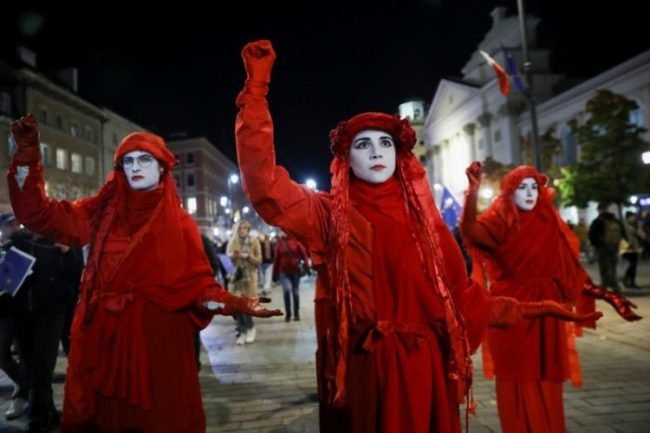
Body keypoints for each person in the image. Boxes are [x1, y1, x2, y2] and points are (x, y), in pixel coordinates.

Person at [234, 39, 600, 433]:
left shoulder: (429, 226)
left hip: (423, 375)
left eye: (385, 143)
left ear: (398, 154)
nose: (376, 151)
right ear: (346, 159)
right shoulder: (327, 216)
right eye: (363, 144)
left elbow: (465, 301)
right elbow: (265, 186)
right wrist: (255, 93)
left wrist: (539, 308)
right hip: (364, 371)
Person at [7, 114, 281, 433]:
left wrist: (232, 304)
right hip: (103, 345)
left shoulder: (180, 224)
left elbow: (199, 288)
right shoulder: (100, 212)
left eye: (145, 159)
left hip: (155, 349)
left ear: (161, 168)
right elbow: (40, 215)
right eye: (128, 161)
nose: (136, 166)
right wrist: (27, 155)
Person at [460, 162, 640, 433]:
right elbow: (471, 231)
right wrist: (472, 193)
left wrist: (608, 296)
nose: (531, 192)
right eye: (523, 187)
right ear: (510, 192)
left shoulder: (549, 224)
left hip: (549, 316)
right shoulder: (498, 222)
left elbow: (571, 274)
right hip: (513, 314)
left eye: (535, 186)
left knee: (548, 379)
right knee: (517, 381)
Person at [6, 228, 83, 432]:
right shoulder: (16, 241)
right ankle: (46, 410)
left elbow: (77, 273)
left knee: (43, 367)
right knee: (30, 366)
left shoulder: (60, 239)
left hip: (51, 311)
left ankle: (39, 416)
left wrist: (68, 252)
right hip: (21, 311)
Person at [0, 213, 29, 422]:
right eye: (11, 224)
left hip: (18, 311)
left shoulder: (21, 245)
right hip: (3, 310)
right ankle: (25, 385)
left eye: (16, 223)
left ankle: (24, 392)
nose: (15, 227)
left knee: (21, 353)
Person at [227, 219, 262, 345]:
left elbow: (259, 261)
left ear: (248, 229)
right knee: (237, 308)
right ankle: (242, 332)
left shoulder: (254, 242)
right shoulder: (232, 242)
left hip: (249, 279)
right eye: (240, 228)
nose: (242, 230)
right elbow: (227, 262)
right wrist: (232, 258)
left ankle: (250, 328)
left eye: (245, 228)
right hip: (236, 279)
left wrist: (248, 257)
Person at [273, 230, 310, 322]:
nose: (283, 233)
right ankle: (288, 312)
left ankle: (296, 313)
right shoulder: (279, 244)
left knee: (296, 293)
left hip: (295, 271)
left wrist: (306, 267)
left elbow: (304, 255)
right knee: (286, 290)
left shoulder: (296, 242)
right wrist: (274, 274)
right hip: (283, 271)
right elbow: (276, 259)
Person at [588, 202, 625, 292]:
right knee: (612, 266)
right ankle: (612, 285)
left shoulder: (598, 221)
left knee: (604, 266)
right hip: (614, 246)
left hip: (602, 247)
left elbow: (592, 234)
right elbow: (622, 232)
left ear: (599, 210)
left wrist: (595, 244)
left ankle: (609, 285)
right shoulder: (615, 220)